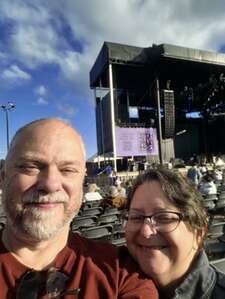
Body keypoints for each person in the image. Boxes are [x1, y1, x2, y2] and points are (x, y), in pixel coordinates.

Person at [0, 118, 158, 299]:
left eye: (67, 170)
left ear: (82, 180)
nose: (51, 184)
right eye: (30, 167)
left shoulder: (121, 274)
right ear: (3, 176)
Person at [124, 167, 225, 299]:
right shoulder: (111, 285)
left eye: (164, 217)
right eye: (136, 217)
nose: (145, 231)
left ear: (199, 233)